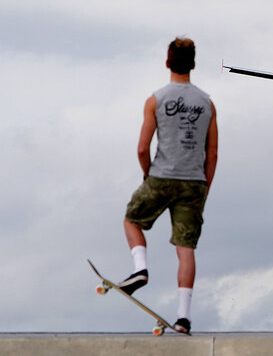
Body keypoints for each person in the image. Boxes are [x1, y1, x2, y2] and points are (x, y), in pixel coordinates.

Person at [119, 37, 218, 334]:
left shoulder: (156, 100)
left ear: (167, 63)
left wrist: (148, 175)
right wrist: (205, 186)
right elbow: (212, 152)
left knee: (132, 219)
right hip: (194, 182)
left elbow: (141, 148)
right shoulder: (207, 103)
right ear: (194, 65)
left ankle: (140, 269)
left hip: (161, 175)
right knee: (185, 248)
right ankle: (183, 318)